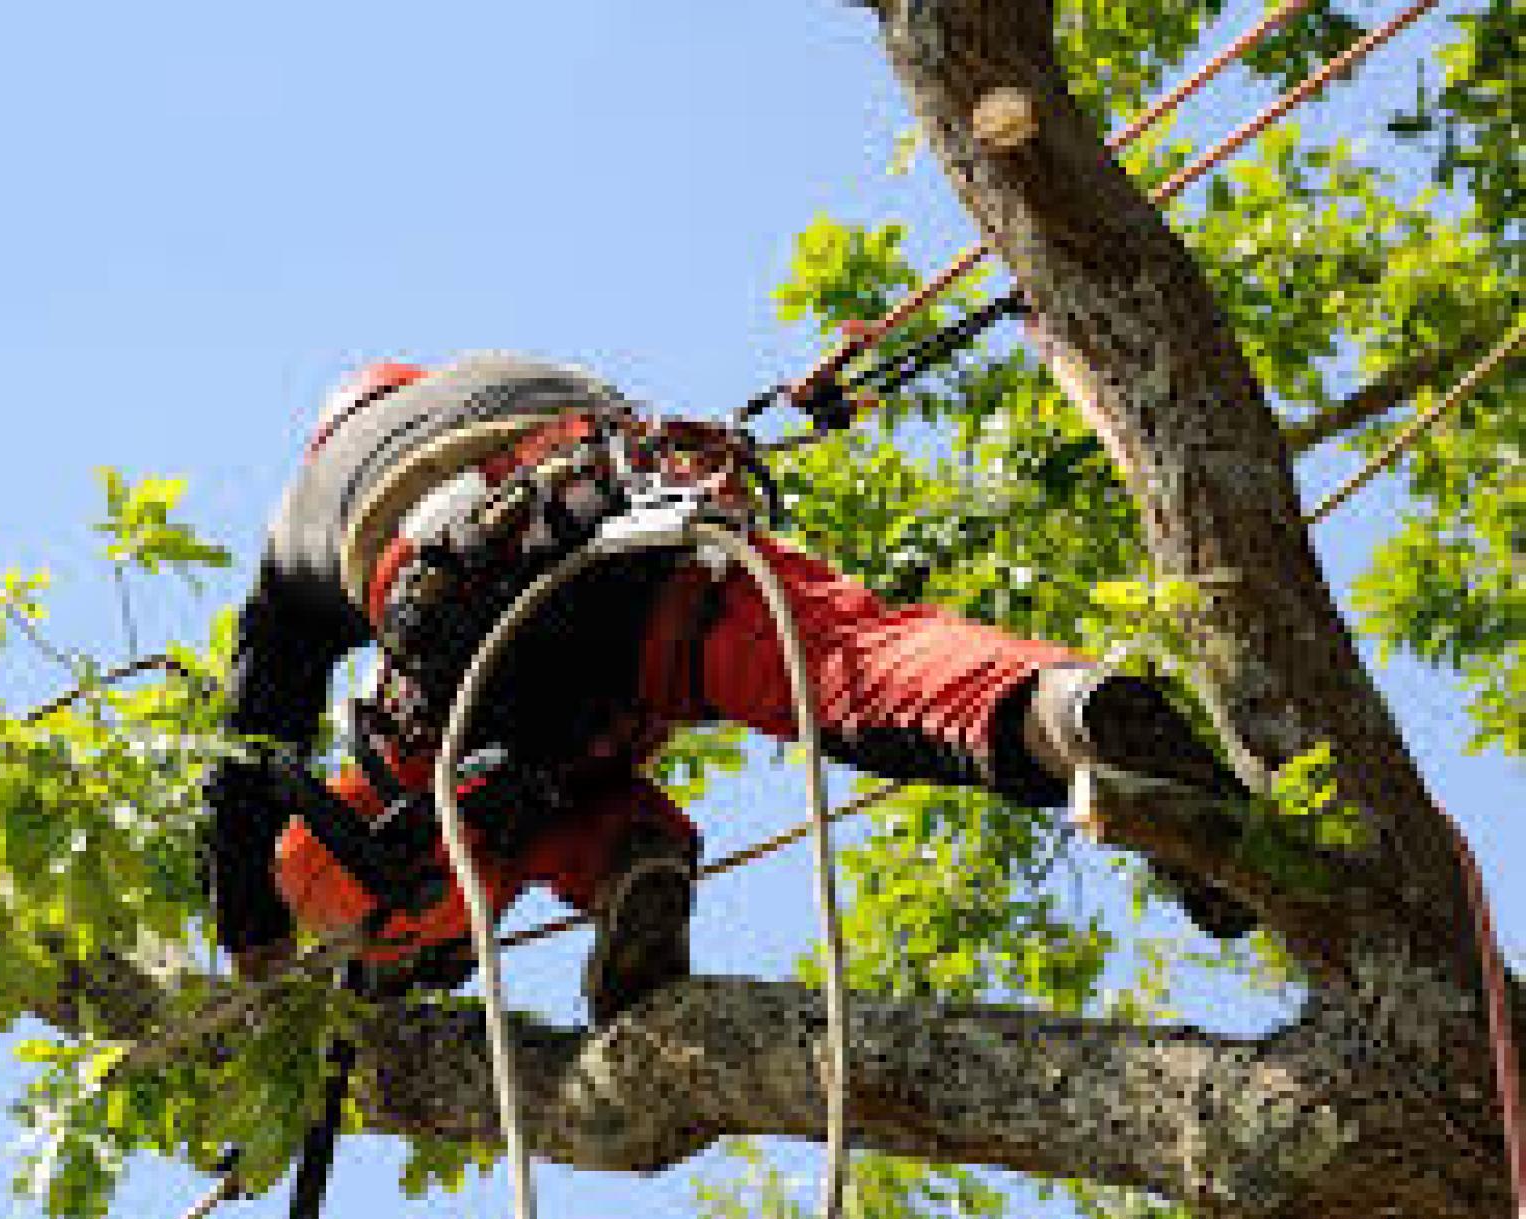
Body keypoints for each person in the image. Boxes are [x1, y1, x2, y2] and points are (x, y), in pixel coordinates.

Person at [202, 353, 1252, 1021]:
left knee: (417, 805)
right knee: (856, 663)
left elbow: (248, 753)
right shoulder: (507, 372)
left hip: (471, 641)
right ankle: (1064, 712)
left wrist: (251, 938)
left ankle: (604, 866)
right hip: (638, 535)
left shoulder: (304, 512)